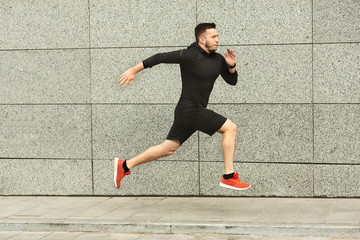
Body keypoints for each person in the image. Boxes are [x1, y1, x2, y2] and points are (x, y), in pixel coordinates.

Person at [115, 23, 250, 191]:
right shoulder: (190, 55)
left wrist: (231, 65)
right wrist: (133, 71)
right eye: (213, 37)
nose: (217, 40)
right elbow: (159, 57)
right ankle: (228, 176)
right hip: (189, 109)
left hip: (190, 112)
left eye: (217, 36)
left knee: (167, 148)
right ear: (202, 39)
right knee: (230, 128)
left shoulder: (218, 59)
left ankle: (125, 165)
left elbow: (232, 81)